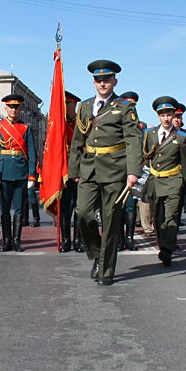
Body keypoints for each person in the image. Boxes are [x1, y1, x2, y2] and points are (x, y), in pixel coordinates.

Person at [68, 60, 143, 284]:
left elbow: (133, 141)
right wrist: (74, 169)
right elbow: (77, 141)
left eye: (107, 79)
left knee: (110, 221)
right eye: (99, 80)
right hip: (89, 168)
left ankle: (106, 269)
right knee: (83, 213)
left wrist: (133, 172)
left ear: (114, 81)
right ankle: (97, 253)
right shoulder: (85, 106)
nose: (103, 83)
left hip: (114, 170)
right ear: (94, 83)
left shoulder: (125, 107)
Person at [144, 96, 186, 266]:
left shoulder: (182, 137)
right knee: (158, 218)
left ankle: (167, 249)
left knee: (171, 217)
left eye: (169, 115)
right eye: (162, 115)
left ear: (174, 115)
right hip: (155, 182)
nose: (166, 118)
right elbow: (143, 158)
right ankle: (163, 244)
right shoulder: (149, 135)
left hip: (174, 181)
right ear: (158, 116)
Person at [0, 94, 38, 252]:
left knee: (19, 208)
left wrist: (32, 175)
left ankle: (17, 240)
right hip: (3, 173)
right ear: (6, 108)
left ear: (20, 109)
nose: (13, 110)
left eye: (16, 107)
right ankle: (7, 240)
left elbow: (32, 153)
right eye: (11, 107)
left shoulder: (26, 128)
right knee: (4, 208)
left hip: (21, 172)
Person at [117, 91, 143, 251]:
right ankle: (119, 238)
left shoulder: (142, 126)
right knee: (119, 205)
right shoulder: (116, 124)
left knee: (131, 206)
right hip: (118, 169)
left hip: (133, 170)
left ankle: (130, 238)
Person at [59, 91, 84, 252]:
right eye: (65, 104)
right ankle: (66, 240)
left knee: (79, 206)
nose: (67, 107)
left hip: (80, 169)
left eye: (69, 104)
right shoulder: (58, 124)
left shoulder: (81, 124)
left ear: (75, 105)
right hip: (63, 169)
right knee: (65, 206)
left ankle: (79, 240)